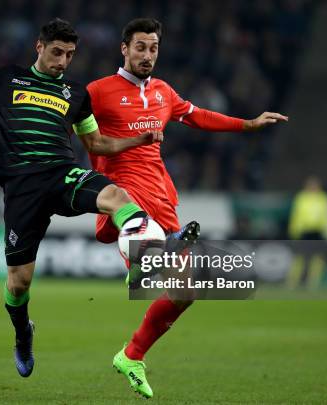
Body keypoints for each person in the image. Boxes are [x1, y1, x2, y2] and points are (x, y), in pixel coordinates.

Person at [0, 2, 164, 379]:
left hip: (62, 175)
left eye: (70, 55)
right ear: (39, 47)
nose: (63, 62)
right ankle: (22, 333)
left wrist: (137, 139)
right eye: (57, 52)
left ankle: (143, 259)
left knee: (118, 197)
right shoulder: (8, 80)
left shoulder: (75, 94)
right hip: (22, 189)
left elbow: (95, 145)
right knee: (19, 282)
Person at [87, 18, 289, 398]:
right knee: (150, 251)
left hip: (161, 198)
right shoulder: (98, 92)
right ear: (124, 49)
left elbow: (199, 116)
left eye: (154, 48)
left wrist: (247, 124)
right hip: (122, 196)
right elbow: (65, 121)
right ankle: (144, 263)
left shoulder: (163, 92)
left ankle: (131, 355)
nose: (148, 55)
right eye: (141, 47)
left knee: (187, 291)